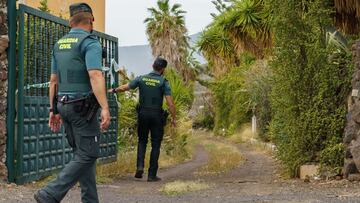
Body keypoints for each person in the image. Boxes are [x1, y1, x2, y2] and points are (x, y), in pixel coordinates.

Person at [34, 3, 110, 203]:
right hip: (82, 109)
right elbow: (95, 74)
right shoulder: (90, 42)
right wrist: (105, 107)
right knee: (89, 154)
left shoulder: (59, 44)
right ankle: (50, 194)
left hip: (63, 105)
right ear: (91, 20)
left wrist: (53, 110)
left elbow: (53, 81)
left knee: (82, 155)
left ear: (70, 21)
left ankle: (90, 200)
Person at [109, 57, 176, 182]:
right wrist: (173, 118)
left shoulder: (141, 78)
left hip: (143, 114)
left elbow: (125, 87)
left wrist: (113, 90)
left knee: (142, 141)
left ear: (153, 65)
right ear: (163, 69)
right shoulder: (163, 82)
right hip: (157, 115)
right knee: (155, 144)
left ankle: (139, 167)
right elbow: (170, 103)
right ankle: (151, 175)